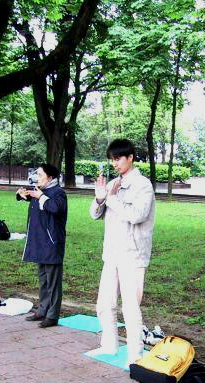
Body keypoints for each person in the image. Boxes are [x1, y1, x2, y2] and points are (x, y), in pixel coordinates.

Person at [90, 139, 156, 367]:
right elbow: (94, 214)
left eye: (118, 158)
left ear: (130, 158)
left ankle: (135, 355)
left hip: (133, 254)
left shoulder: (143, 185)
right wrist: (100, 198)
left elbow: (137, 215)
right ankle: (109, 345)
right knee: (104, 303)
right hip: (112, 253)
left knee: (130, 307)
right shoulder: (113, 184)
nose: (114, 163)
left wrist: (111, 198)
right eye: (112, 159)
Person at [17, 164, 68, 328]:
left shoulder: (58, 193)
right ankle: (42, 310)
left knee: (53, 282)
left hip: (52, 243)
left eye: (40, 175)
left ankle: (52, 316)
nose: (36, 177)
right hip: (40, 242)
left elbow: (55, 207)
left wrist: (40, 197)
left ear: (50, 178)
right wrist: (22, 195)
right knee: (43, 279)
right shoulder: (41, 191)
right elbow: (33, 199)